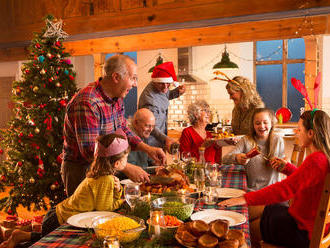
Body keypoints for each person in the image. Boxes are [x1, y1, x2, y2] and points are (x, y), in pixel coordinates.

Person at [218, 109, 330, 248]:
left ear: (311, 133)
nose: (296, 133)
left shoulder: (315, 160)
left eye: (299, 130)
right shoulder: (323, 157)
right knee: (260, 213)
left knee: (248, 225)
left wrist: (246, 198)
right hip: (308, 222)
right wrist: (287, 168)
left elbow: (286, 188)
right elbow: (304, 180)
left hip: (304, 230)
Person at [0, 131, 130, 248]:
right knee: (42, 244)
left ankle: (19, 235)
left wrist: (117, 190)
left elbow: (101, 204)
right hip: (60, 220)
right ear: (117, 163)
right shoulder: (106, 179)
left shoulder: (101, 174)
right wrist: (122, 200)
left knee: (42, 237)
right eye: (126, 158)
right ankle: (18, 238)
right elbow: (105, 211)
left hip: (58, 214)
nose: (127, 161)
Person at [62, 54, 166, 196]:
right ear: (116, 77)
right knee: (87, 216)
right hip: (83, 171)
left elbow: (122, 129)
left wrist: (147, 149)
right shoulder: (87, 102)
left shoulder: (116, 98)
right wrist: (126, 167)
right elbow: (90, 151)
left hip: (107, 167)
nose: (135, 84)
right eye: (133, 78)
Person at [222, 108, 285, 191]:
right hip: (253, 191)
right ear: (253, 125)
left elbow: (283, 166)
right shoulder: (246, 140)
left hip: (274, 190)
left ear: (271, 124)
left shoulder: (278, 140)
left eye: (265, 122)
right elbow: (225, 159)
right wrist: (237, 158)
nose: (262, 126)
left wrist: (282, 164)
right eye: (257, 123)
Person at [138, 61, 185, 150]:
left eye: (168, 83)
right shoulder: (150, 100)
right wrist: (166, 139)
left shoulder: (158, 88)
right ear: (155, 81)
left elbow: (165, 95)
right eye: (161, 83)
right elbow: (150, 127)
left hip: (159, 141)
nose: (165, 87)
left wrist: (178, 92)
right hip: (150, 143)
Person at [179, 100, 221, 164]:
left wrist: (219, 146)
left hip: (211, 171)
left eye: (209, 111)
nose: (208, 113)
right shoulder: (187, 132)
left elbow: (217, 160)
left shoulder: (210, 135)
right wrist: (203, 147)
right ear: (196, 114)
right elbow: (184, 158)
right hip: (196, 171)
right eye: (205, 110)